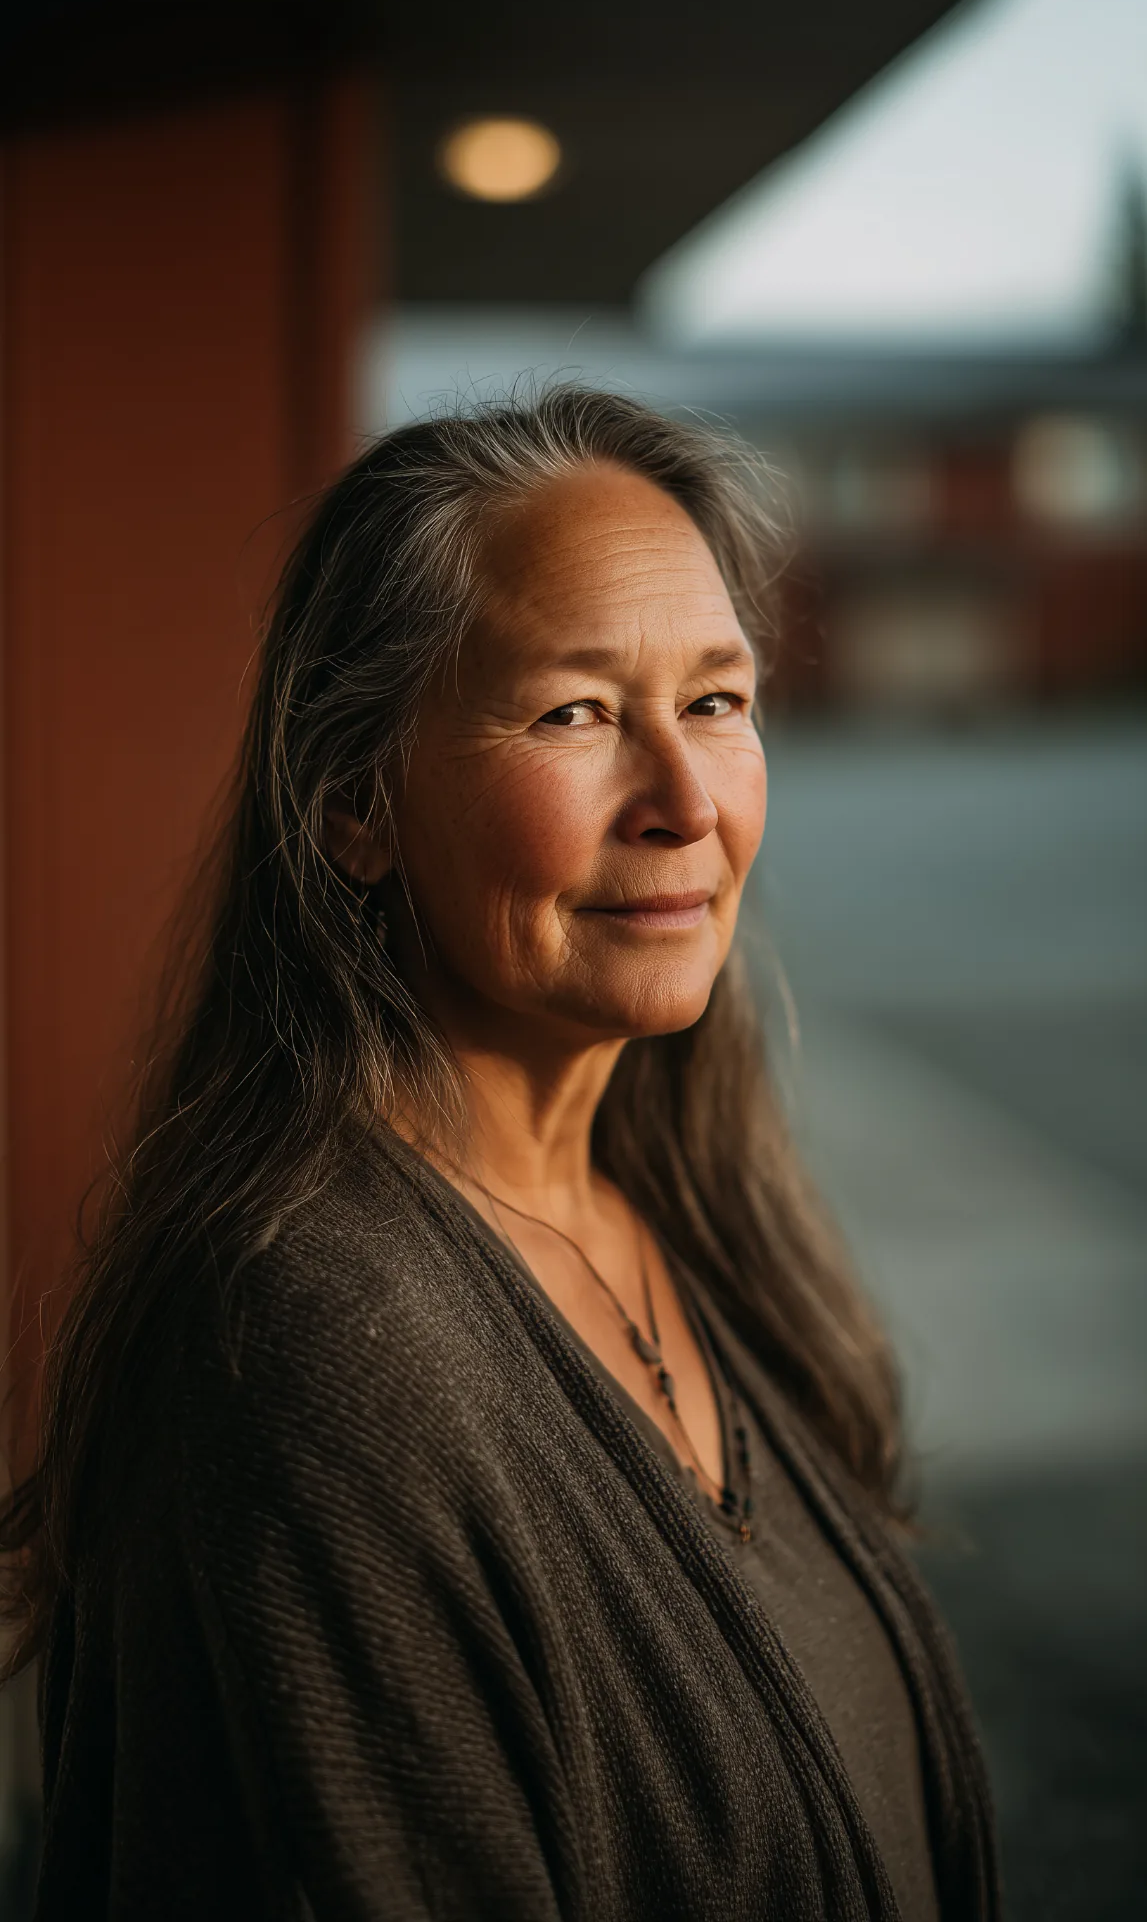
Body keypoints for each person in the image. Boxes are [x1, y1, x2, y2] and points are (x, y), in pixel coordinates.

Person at [0, 388, 999, 1919]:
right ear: (354, 804)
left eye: (716, 702)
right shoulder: (320, 1359)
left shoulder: (686, 1219)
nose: (683, 803)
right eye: (573, 714)